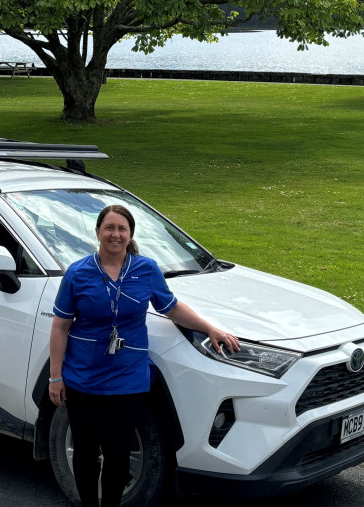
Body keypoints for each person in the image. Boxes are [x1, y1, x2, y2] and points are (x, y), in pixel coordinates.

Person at [48, 204, 239, 507]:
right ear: (98, 232)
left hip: (127, 378)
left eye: (122, 229)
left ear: (130, 235)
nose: (115, 234)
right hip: (82, 378)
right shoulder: (78, 273)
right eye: (109, 228)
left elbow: (172, 308)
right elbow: (60, 327)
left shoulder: (145, 269)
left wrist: (210, 328)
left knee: (118, 453)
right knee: (85, 452)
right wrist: (55, 376)